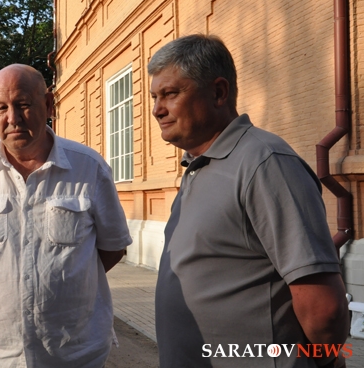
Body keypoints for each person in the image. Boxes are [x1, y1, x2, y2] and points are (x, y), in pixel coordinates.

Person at [148, 34, 350, 368]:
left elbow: (323, 308)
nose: (157, 109)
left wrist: (326, 362)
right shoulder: (200, 166)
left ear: (218, 92)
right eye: (154, 97)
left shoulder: (265, 163)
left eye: (170, 94)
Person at [0, 64, 133, 367]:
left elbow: (113, 247)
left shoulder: (88, 167)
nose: (13, 118)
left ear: (48, 103)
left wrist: (65, 283)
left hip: (74, 352)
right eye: (2, 108)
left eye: (23, 105)